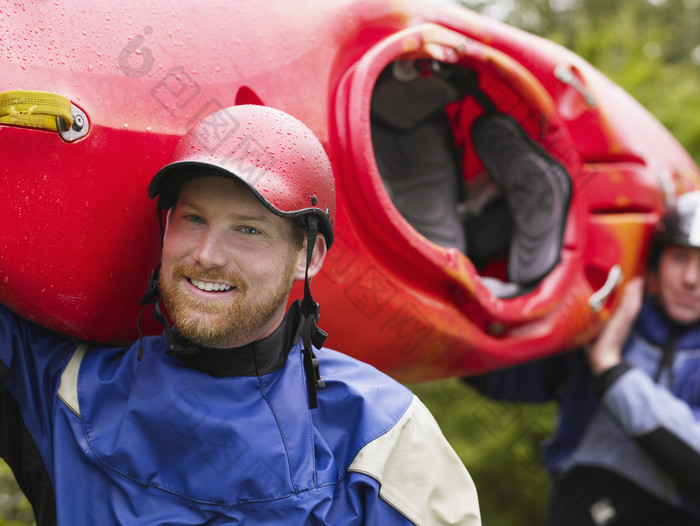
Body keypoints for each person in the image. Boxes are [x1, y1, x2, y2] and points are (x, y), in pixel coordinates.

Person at [0, 105, 481, 525]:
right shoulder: (66, 389)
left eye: (248, 230)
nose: (208, 255)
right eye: (193, 219)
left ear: (307, 256)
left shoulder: (380, 436)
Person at [465, 191, 700, 525]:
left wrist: (611, 369)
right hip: (577, 508)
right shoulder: (601, 314)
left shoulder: (609, 341)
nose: (690, 279)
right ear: (656, 260)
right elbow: (508, 376)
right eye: (679, 258)